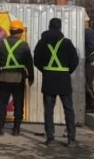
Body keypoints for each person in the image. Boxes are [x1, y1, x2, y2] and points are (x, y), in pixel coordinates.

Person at [33, 18, 80, 147]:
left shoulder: (42, 43)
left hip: (49, 79)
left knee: (48, 110)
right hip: (64, 79)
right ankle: (71, 139)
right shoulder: (67, 43)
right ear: (60, 28)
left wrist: (45, 70)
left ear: (49, 27)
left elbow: (36, 60)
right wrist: (67, 71)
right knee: (68, 109)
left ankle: (50, 138)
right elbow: (75, 61)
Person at [0, 20, 34, 137]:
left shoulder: (1, 43)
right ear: (19, 33)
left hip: (5, 77)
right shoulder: (24, 45)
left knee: (2, 103)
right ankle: (16, 129)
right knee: (18, 103)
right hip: (19, 78)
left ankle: (0, 128)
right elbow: (29, 63)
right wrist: (31, 78)